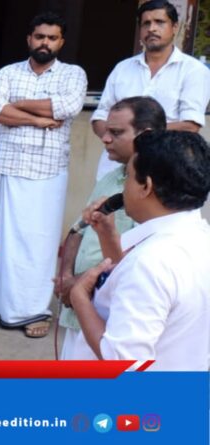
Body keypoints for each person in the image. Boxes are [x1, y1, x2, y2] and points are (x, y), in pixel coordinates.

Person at [0, 12, 87, 338]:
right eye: (39, 36)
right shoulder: (8, 72)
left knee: (38, 243)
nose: (45, 43)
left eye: (52, 38)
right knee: (1, 239)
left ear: (61, 42)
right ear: (29, 39)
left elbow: (69, 107)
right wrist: (39, 119)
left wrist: (18, 104)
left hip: (48, 171)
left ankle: (33, 311)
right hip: (9, 167)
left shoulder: (73, 74)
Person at [69, 131, 210, 371]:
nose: (124, 187)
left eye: (128, 177)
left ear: (146, 186)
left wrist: (80, 298)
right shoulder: (199, 238)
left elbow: (123, 362)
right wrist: (107, 234)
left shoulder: (150, 263)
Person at [56, 97, 166, 360]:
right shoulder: (110, 177)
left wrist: (79, 286)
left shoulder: (156, 192)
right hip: (77, 307)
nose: (105, 139)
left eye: (116, 133)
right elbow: (78, 230)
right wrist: (66, 277)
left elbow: (137, 257)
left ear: (145, 135)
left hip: (110, 316)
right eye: (106, 131)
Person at [91, 0, 210, 180]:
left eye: (159, 22)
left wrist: (134, 138)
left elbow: (190, 125)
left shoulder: (193, 70)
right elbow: (99, 117)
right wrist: (119, 141)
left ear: (175, 27)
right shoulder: (123, 68)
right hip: (114, 169)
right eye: (146, 23)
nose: (152, 28)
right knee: (105, 200)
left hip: (165, 168)